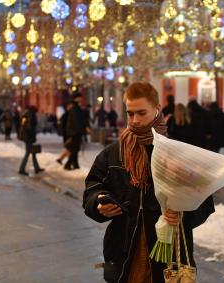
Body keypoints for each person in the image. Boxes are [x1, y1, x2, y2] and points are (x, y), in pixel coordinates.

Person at [83, 82, 215, 283]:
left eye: (141, 113)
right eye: (130, 113)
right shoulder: (114, 153)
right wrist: (99, 202)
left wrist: (182, 214)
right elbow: (93, 186)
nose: (134, 120)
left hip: (167, 255)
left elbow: (204, 200)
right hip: (124, 252)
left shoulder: (178, 152)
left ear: (157, 110)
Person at [18, 106, 45, 176]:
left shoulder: (26, 114)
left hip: (26, 136)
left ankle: (37, 168)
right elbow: (30, 127)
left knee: (33, 152)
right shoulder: (31, 115)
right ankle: (21, 169)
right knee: (27, 153)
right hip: (28, 137)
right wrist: (33, 134)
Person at [64, 93, 85, 170]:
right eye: (80, 97)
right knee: (74, 149)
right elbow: (76, 121)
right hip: (75, 132)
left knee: (75, 149)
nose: (81, 99)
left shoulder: (75, 107)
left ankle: (75, 164)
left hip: (74, 132)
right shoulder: (74, 108)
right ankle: (68, 164)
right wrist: (79, 131)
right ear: (76, 98)